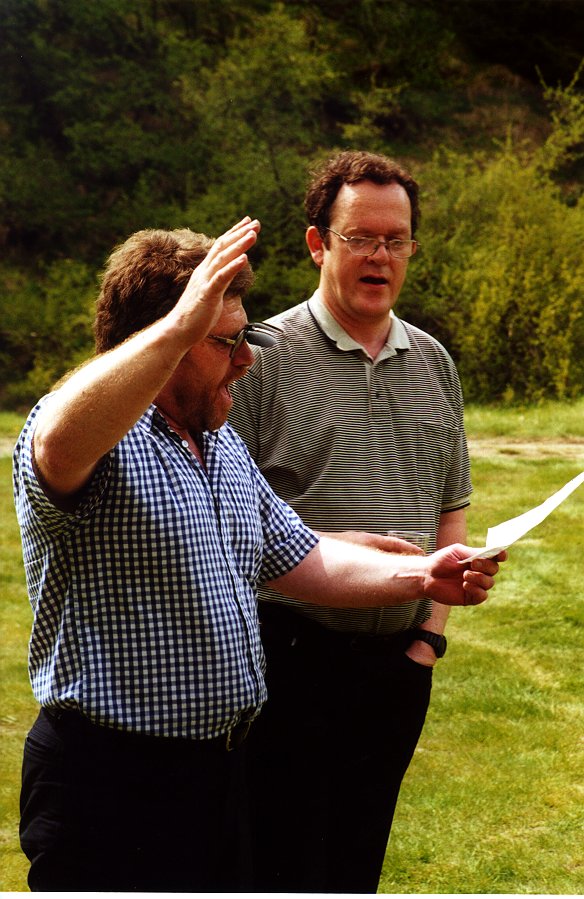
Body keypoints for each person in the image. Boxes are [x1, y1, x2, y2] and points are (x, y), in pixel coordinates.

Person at [13, 217, 503, 893]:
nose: (246, 359)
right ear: (161, 341)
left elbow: (303, 556)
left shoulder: (219, 444)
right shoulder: (88, 439)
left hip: (218, 777)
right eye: (224, 341)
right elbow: (57, 437)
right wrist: (179, 327)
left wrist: (423, 574)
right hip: (109, 786)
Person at [229, 151, 478, 893]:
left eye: (395, 239)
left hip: (397, 667)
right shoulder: (260, 357)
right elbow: (220, 511)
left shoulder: (433, 361)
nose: (379, 256)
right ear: (318, 244)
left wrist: (428, 641)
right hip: (287, 657)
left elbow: (452, 508)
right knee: (283, 868)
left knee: (357, 866)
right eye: (360, 237)